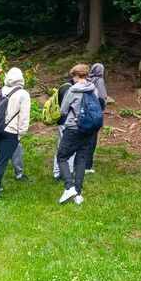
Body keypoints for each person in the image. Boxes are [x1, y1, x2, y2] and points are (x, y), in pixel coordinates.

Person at [57, 64, 101, 205]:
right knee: (81, 159)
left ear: (75, 76)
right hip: (89, 129)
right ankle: (78, 194)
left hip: (73, 128)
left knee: (62, 156)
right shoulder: (93, 89)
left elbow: (63, 110)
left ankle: (69, 187)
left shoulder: (72, 90)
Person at [0, 67, 31, 200]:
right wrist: (21, 134)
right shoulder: (23, 94)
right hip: (11, 132)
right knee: (1, 161)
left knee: (0, 157)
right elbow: (24, 117)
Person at [83, 63, 109, 174]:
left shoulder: (87, 80)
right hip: (95, 113)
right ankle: (87, 166)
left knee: (84, 139)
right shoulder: (99, 81)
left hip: (85, 114)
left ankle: (79, 163)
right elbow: (103, 96)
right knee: (92, 141)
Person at [52, 73, 74, 180]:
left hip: (61, 121)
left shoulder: (63, 87)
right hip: (66, 121)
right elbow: (66, 108)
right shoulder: (69, 89)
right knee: (68, 147)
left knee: (60, 147)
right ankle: (66, 172)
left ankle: (57, 171)